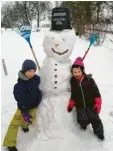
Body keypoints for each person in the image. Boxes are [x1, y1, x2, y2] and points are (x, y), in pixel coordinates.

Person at [3, 59, 42, 151]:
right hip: (23, 108)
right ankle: (10, 143)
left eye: (33, 71)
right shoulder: (19, 85)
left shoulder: (36, 79)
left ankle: (24, 126)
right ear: (24, 71)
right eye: (29, 71)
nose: (31, 73)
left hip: (33, 106)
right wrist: (23, 110)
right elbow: (19, 99)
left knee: (30, 119)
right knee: (15, 124)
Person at [67, 57, 104, 140]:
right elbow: (73, 93)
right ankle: (83, 125)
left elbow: (96, 91)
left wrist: (98, 103)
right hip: (80, 106)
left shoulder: (89, 80)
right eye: (74, 72)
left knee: (95, 120)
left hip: (91, 105)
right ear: (72, 72)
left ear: (82, 71)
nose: (77, 74)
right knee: (81, 119)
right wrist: (72, 102)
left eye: (79, 71)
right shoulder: (73, 82)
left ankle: (99, 134)